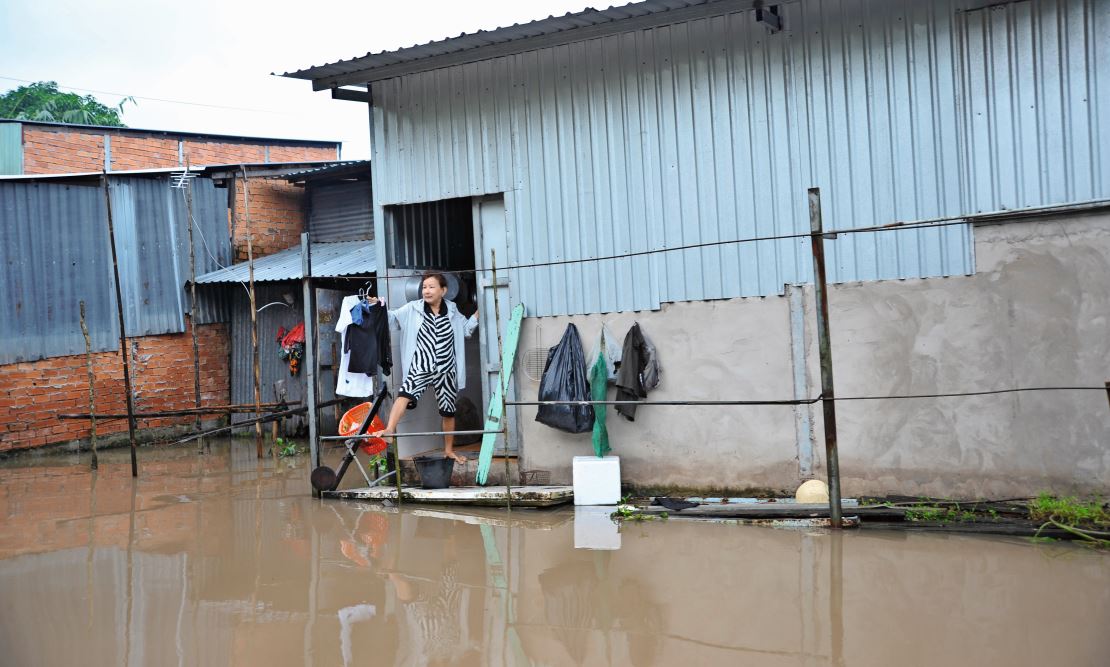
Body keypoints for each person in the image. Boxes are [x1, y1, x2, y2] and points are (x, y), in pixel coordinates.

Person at [369, 272, 478, 463]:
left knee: (448, 410)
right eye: (424, 287)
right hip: (421, 364)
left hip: (447, 368)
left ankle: (448, 450)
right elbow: (392, 319)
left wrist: (478, 312)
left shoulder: (452, 310)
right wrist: (378, 306)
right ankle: (389, 430)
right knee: (404, 394)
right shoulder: (413, 308)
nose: (426, 291)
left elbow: (467, 329)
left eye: (431, 287)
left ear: (443, 290)